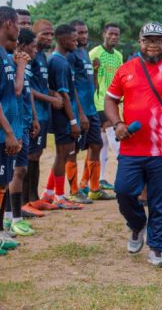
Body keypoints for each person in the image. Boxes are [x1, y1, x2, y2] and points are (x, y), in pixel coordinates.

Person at [105, 22, 162, 268]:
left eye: (158, 39)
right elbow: (110, 100)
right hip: (131, 149)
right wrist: (117, 124)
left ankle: (157, 248)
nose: (153, 43)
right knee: (124, 191)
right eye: (148, 39)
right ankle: (137, 226)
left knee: (161, 200)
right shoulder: (126, 70)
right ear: (140, 41)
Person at [42, 24, 87, 210]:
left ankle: (49, 192)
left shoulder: (59, 60)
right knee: (64, 155)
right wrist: (73, 121)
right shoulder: (59, 62)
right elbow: (64, 95)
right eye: (73, 38)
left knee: (63, 155)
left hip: (65, 117)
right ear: (62, 40)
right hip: (63, 118)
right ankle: (60, 196)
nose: (76, 41)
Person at [69, 20, 113, 202]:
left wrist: (95, 72)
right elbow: (71, 87)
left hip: (92, 108)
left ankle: (93, 188)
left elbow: (91, 84)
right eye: (80, 33)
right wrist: (79, 113)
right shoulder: (71, 56)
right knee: (71, 151)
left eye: (85, 32)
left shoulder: (84, 54)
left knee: (97, 145)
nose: (84, 36)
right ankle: (73, 192)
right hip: (79, 111)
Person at [4, 29, 40, 236]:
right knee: (14, 172)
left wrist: (34, 117)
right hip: (14, 125)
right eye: (33, 46)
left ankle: (11, 217)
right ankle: (13, 218)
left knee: (21, 170)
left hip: (25, 123)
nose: (35, 50)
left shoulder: (24, 67)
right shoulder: (12, 62)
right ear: (23, 45)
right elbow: (14, 93)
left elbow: (28, 94)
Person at [24, 20, 61, 213]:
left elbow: (40, 84)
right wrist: (50, 98)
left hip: (44, 114)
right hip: (34, 112)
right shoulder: (28, 56)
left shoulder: (43, 57)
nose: (48, 37)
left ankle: (34, 197)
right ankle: (25, 201)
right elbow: (27, 87)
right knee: (29, 156)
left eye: (51, 34)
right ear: (34, 34)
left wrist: (52, 92)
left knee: (36, 155)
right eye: (44, 34)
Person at [89, 23, 123, 191]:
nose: (114, 37)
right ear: (104, 34)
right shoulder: (95, 53)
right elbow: (89, 78)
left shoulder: (118, 56)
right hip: (98, 101)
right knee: (114, 135)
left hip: (114, 102)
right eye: (111, 34)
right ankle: (124, 175)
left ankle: (100, 178)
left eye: (116, 34)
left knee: (102, 142)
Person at [0, 6, 22, 252]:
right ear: (7, 24)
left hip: (7, 132)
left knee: (2, 183)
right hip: (2, 133)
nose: (20, 28)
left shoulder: (6, 55)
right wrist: (8, 132)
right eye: (17, 23)